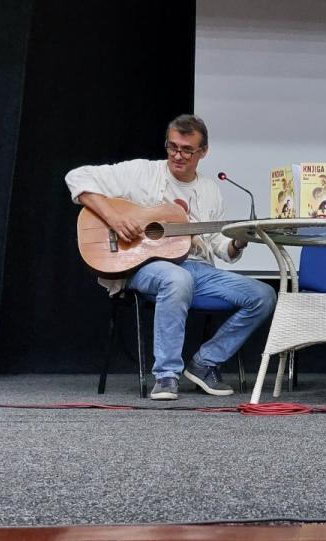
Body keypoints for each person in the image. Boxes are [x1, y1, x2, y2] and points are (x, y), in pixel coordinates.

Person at [65, 114, 276, 400]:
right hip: (145, 266)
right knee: (177, 278)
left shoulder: (210, 190)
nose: (177, 155)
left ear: (203, 152)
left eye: (187, 150)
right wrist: (114, 218)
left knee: (263, 295)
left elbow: (220, 247)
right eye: (172, 147)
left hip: (199, 270)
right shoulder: (142, 172)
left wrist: (239, 241)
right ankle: (166, 375)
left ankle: (205, 362)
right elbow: (76, 177)